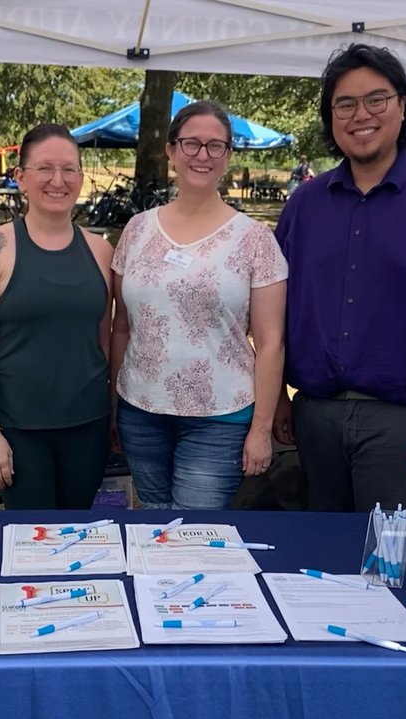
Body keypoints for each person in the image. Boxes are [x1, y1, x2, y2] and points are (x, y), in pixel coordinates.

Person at [272, 44, 406, 514]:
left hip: (401, 423)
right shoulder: (304, 206)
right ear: (330, 117)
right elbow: (274, 314)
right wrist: (277, 400)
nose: (360, 115)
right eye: (344, 104)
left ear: (402, 104)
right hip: (314, 416)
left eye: (376, 99)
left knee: (387, 566)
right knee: (319, 559)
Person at [110, 100, 287, 509]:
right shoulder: (137, 231)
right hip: (141, 410)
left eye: (215, 146)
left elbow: (271, 342)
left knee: (193, 533)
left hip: (219, 417)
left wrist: (260, 430)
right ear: (171, 151)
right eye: (191, 144)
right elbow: (121, 327)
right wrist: (114, 406)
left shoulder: (255, 240)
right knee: (153, 522)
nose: (202, 155)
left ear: (228, 156)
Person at [0, 123, 114, 509]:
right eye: (45, 168)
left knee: (79, 530)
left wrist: (111, 416)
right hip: (18, 430)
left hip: (87, 426)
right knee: (31, 542)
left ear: (81, 176)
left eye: (69, 169)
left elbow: (105, 341)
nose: (58, 180)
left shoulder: (101, 251)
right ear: (21, 177)